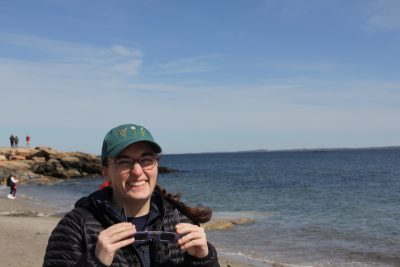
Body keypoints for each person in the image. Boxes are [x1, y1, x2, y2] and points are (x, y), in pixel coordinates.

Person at [43, 123, 220, 267]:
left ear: (156, 164)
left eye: (146, 160)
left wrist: (203, 260)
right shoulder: (75, 228)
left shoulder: (182, 222)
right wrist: (95, 262)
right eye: (124, 162)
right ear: (105, 170)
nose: (137, 171)